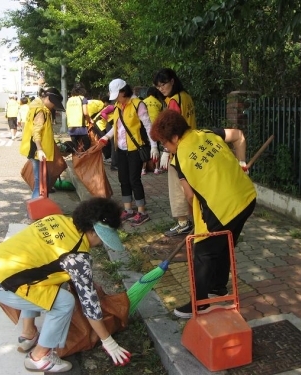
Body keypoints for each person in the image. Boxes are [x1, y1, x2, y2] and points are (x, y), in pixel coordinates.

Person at [0, 197, 131, 372]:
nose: (102, 244)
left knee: (49, 279)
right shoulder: (78, 258)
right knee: (65, 302)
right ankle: (39, 357)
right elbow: (90, 305)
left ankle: (28, 333)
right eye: (103, 238)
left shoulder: (59, 219)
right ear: (94, 232)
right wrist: (108, 341)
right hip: (1, 283)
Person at [150, 109, 256, 318]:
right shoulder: (207, 133)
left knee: (203, 251)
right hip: (247, 198)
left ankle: (200, 304)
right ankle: (217, 288)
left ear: (174, 137)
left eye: (164, 143)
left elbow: (190, 197)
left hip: (223, 208)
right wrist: (242, 163)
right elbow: (238, 135)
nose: (165, 147)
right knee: (225, 242)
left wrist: (196, 226)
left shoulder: (180, 157)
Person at [99, 79, 159, 226]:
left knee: (134, 180)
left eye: (117, 95)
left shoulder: (139, 105)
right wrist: (106, 137)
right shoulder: (118, 106)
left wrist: (154, 146)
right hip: (121, 149)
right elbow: (117, 127)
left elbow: (148, 126)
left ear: (124, 92)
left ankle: (142, 212)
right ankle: (128, 209)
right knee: (123, 179)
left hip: (135, 149)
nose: (115, 99)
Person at [153, 68, 197, 237]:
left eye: (163, 84)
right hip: (190, 146)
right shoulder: (186, 97)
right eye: (158, 86)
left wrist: (166, 150)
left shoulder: (174, 101)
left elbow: (171, 128)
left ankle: (183, 222)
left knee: (178, 187)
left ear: (172, 81)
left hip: (177, 150)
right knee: (190, 186)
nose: (161, 89)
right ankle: (196, 221)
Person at [20, 87, 66, 199]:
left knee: (41, 181)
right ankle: (37, 210)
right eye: (54, 103)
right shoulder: (41, 111)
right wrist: (40, 149)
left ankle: (39, 208)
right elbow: (36, 132)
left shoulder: (37, 107)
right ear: (48, 99)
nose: (54, 106)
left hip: (37, 150)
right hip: (37, 151)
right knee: (40, 183)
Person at [142, 86, 165, 175]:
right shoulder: (158, 103)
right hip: (155, 128)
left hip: (144, 128)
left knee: (145, 147)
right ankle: (156, 168)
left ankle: (143, 169)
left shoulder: (143, 102)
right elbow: (160, 116)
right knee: (156, 147)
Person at [66, 83, 92, 152]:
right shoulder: (83, 99)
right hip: (81, 125)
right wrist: (89, 120)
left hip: (71, 125)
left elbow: (67, 112)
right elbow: (85, 113)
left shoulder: (69, 100)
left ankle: (76, 160)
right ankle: (82, 158)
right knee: (87, 144)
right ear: (83, 90)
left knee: (75, 146)